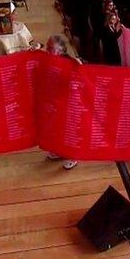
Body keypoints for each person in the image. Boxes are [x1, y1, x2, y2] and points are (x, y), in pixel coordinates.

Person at [43, 35, 81, 169]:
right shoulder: (50, 59)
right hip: (57, 100)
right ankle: (60, 151)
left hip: (69, 101)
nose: (48, 50)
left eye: (51, 48)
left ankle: (73, 155)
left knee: (69, 129)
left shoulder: (69, 61)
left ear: (61, 50)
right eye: (47, 47)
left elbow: (79, 76)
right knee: (57, 128)